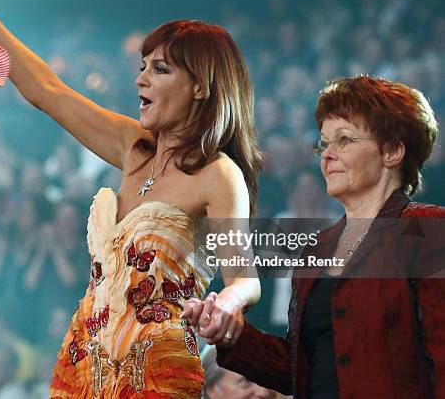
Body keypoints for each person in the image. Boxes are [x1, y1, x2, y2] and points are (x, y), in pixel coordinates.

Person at [0, 0, 263, 398]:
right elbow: (48, 91)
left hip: (155, 374)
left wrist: (227, 302)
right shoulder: (133, 147)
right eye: (143, 66)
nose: (140, 78)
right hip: (83, 365)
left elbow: (246, 279)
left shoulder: (219, 174)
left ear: (200, 87)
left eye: (160, 69)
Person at [185, 76, 445, 398]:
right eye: (324, 143)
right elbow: (302, 368)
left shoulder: (427, 231)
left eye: (344, 140)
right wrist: (230, 335)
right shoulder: (318, 247)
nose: (326, 155)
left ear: (392, 151)